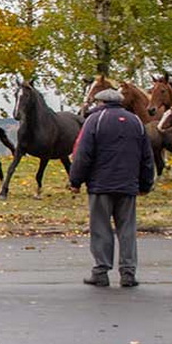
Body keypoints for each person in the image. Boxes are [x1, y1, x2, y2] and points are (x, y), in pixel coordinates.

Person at [68, 88, 155, 288]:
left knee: (100, 228)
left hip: (101, 186)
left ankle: (101, 271)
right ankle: (128, 273)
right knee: (127, 230)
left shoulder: (95, 121)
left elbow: (83, 154)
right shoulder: (136, 122)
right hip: (128, 186)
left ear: (100, 102)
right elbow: (146, 157)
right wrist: (145, 184)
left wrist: (75, 181)